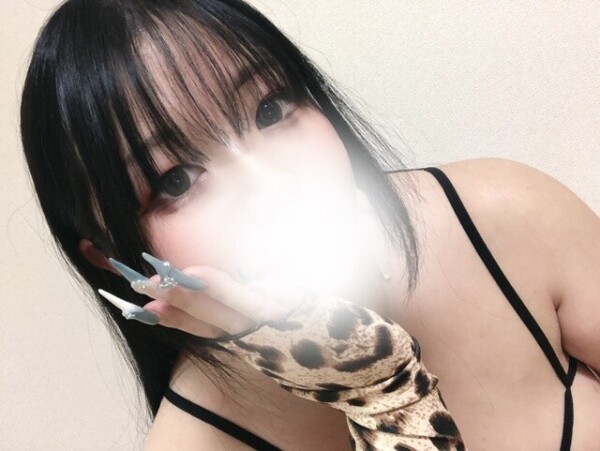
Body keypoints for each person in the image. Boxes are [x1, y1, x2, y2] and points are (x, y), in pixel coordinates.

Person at [19, 0, 599, 450]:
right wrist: (385, 398)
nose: (272, 185)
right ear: (114, 259)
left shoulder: (503, 212)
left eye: (270, 109)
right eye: (175, 179)